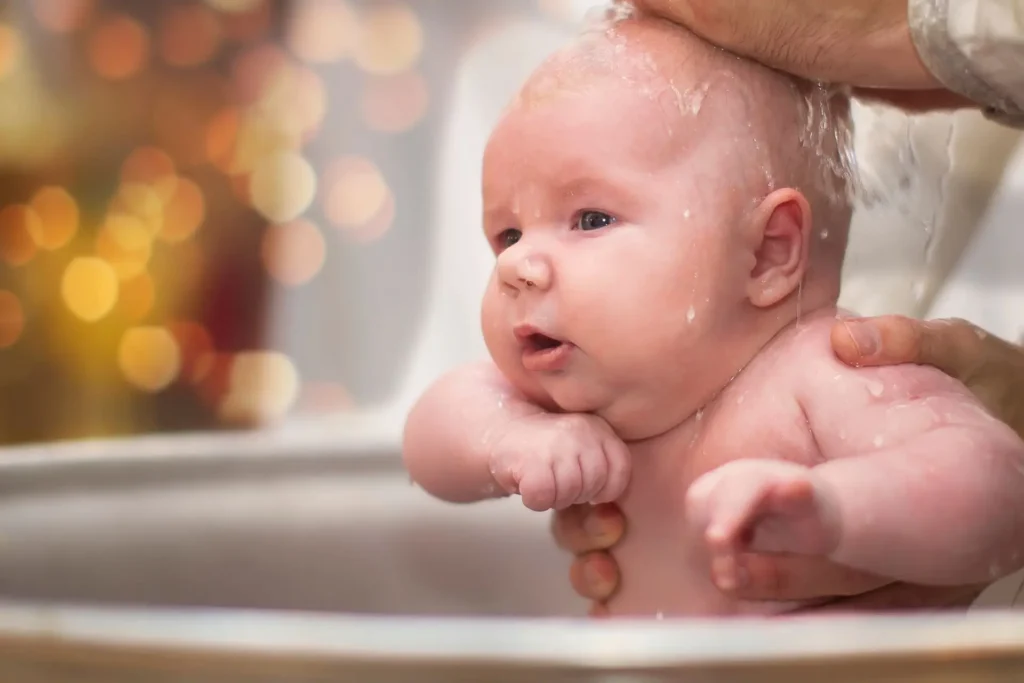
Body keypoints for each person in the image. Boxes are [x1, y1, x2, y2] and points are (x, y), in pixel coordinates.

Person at [402, 11, 1024, 617]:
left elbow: (994, 484)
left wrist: (834, 509)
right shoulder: (585, 397)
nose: (519, 266)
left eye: (591, 219)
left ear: (766, 254)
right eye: (507, 234)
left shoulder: (827, 374)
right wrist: (511, 439)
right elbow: (432, 439)